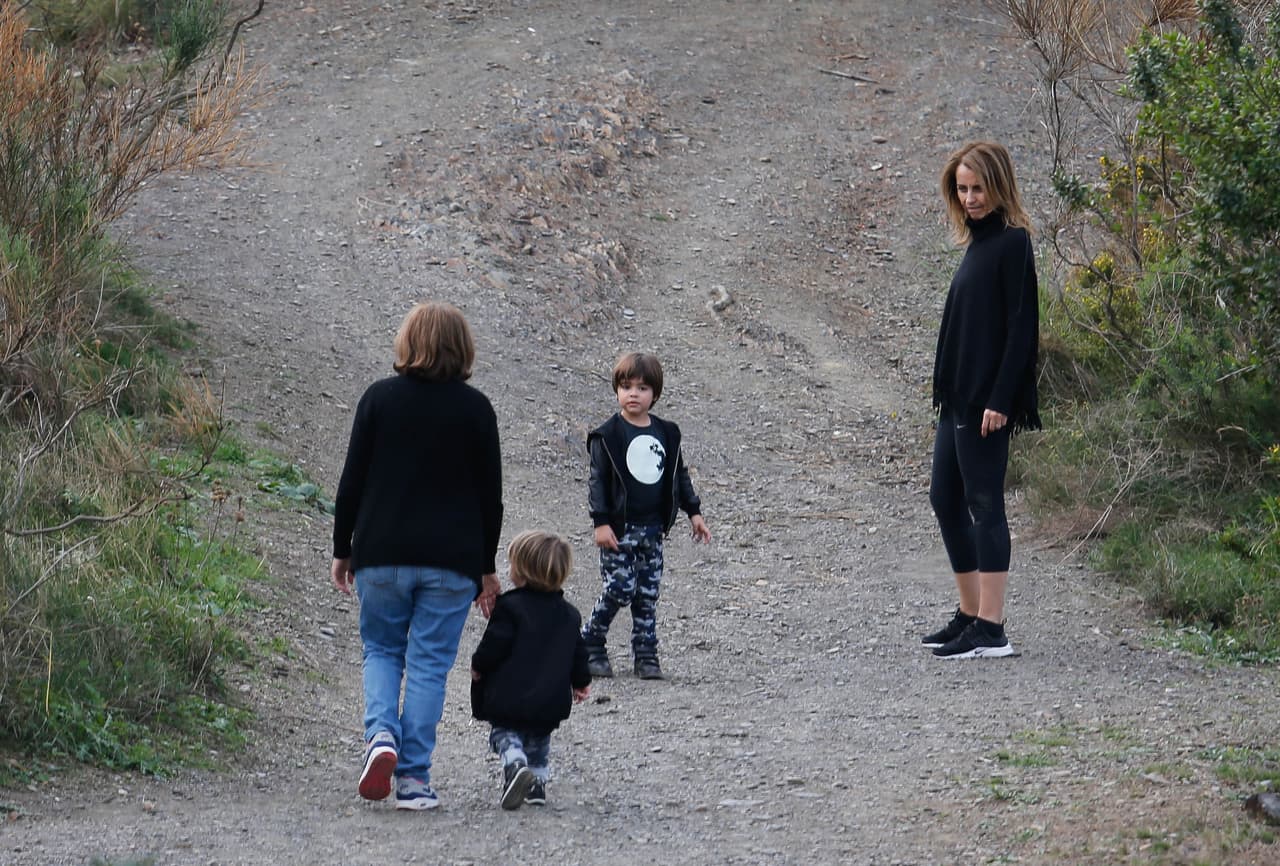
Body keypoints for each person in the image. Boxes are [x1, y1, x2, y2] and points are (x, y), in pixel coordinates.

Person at [331, 301, 503, 810]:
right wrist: (487, 567)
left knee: (382, 650)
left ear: (407, 342)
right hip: (452, 562)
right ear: (463, 348)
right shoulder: (477, 409)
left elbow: (351, 482)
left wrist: (342, 549)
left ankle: (381, 735)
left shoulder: (379, 399)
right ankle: (413, 780)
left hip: (381, 554)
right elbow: (490, 497)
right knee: (429, 666)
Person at [922, 141, 1041, 660]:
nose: (970, 198)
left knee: (984, 503)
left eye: (978, 188)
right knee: (944, 498)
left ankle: (992, 629)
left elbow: (1022, 329)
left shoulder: (1013, 243)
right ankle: (970, 614)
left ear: (998, 186)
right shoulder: (978, 242)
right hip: (958, 398)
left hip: (985, 403)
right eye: (962, 189)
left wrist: (1001, 398)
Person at [581, 351, 711, 680]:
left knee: (647, 595)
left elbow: (678, 475)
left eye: (642, 388)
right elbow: (597, 481)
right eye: (626, 387)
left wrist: (694, 511)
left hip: (652, 529)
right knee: (620, 587)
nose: (633, 394)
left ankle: (646, 654)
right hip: (618, 529)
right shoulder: (608, 435)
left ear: (655, 393)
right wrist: (600, 522)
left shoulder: (667, 433)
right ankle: (590, 641)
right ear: (616, 390)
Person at [470, 530, 591, 810]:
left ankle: (515, 764)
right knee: (539, 740)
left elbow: (495, 644)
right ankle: (536, 785)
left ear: (522, 572)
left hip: (510, 695)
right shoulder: (569, 614)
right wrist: (581, 681)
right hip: (549, 699)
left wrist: (479, 664)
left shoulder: (510, 608)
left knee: (504, 734)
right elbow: (578, 652)